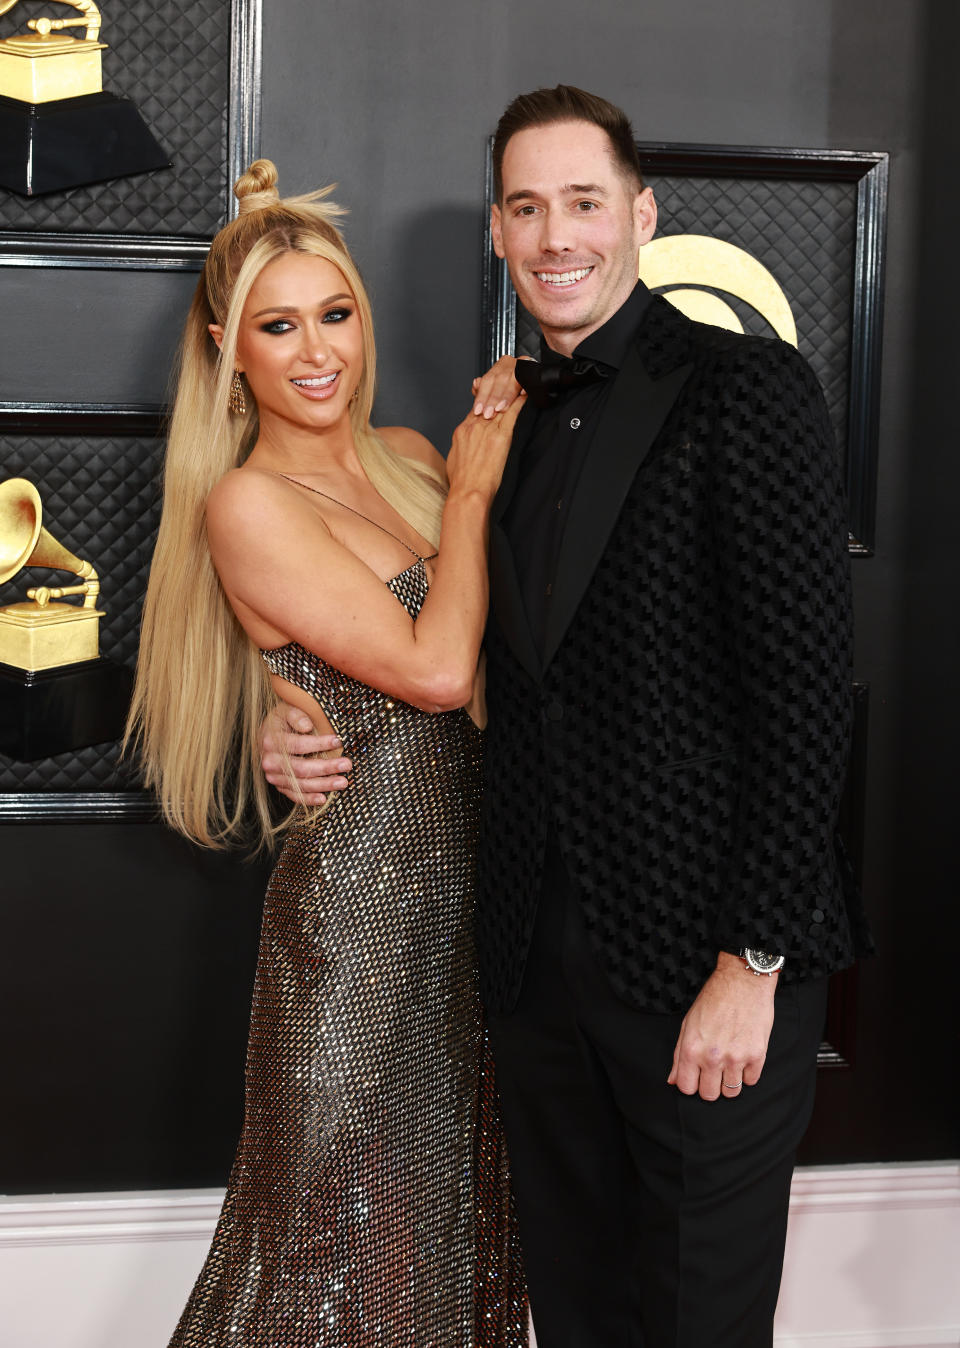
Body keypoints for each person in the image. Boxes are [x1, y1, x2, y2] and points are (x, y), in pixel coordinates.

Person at [262, 86, 873, 1348]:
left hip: (705, 977)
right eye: (528, 208)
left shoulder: (745, 388)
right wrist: (274, 710)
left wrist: (750, 964)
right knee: (581, 1322)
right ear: (497, 230)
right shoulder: (501, 430)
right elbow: (427, 648)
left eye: (584, 203)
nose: (558, 237)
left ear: (640, 215)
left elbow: (809, 697)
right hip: (535, 978)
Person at [126, 158, 529, 1347]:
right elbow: (438, 672)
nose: (317, 353)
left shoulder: (408, 451)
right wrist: (472, 499)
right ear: (225, 347)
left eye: (336, 315)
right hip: (355, 936)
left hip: (480, 921)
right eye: (279, 326)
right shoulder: (246, 504)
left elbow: (506, 665)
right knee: (313, 1261)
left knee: (447, 1248)